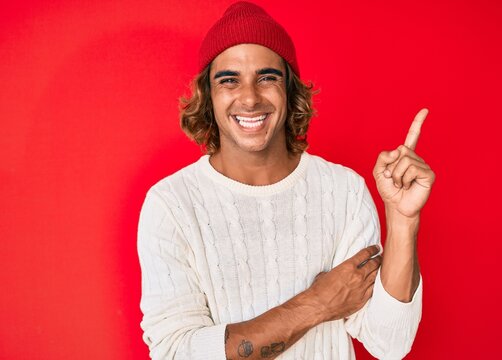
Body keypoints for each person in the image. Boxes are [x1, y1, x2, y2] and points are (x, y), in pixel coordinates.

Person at [137, 2, 435, 359]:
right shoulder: (171, 205)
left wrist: (403, 221)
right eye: (229, 80)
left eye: (267, 77)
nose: (249, 98)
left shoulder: (343, 191)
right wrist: (316, 304)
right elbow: (175, 353)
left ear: (290, 90)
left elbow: (390, 344)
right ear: (209, 96)